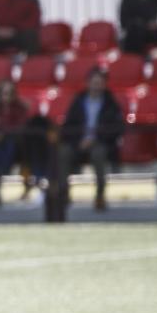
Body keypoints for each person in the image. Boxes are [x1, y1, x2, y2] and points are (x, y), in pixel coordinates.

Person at [58, 67, 123, 212]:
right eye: (94, 82)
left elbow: (115, 128)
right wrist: (78, 141)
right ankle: (64, 194)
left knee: (98, 154)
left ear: (104, 84)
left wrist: (94, 139)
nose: (96, 85)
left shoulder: (110, 103)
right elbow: (68, 126)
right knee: (63, 152)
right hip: (78, 143)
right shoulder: (78, 101)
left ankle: (100, 195)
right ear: (87, 83)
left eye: (99, 82)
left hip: (101, 143)